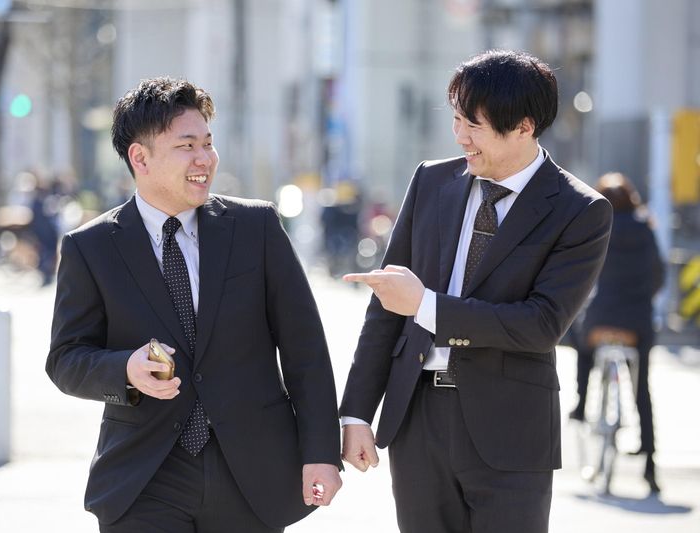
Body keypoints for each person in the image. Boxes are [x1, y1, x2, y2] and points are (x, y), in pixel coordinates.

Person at [46, 77, 342, 533]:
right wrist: (125, 370)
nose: (205, 158)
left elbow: (306, 349)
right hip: (143, 477)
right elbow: (66, 359)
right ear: (140, 158)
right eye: (187, 146)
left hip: (251, 475)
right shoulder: (91, 248)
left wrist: (321, 452)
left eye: (207, 143)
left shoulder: (256, 227)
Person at [339, 50, 613, 533]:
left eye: (474, 125)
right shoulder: (431, 180)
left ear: (524, 127)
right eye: (456, 119)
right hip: (417, 420)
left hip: (510, 431)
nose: (460, 135)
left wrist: (426, 305)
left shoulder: (580, 210)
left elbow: (541, 324)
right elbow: (386, 306)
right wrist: (356, 413)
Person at [569, 172, 665, 493]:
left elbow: (580, 274)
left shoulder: (596, 226)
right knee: (642, 387)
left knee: (581, 345)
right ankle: (650, 463)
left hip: (601, 320)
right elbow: (658, 275)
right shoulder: (645, 229)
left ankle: (581, 403)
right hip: (636, 323)